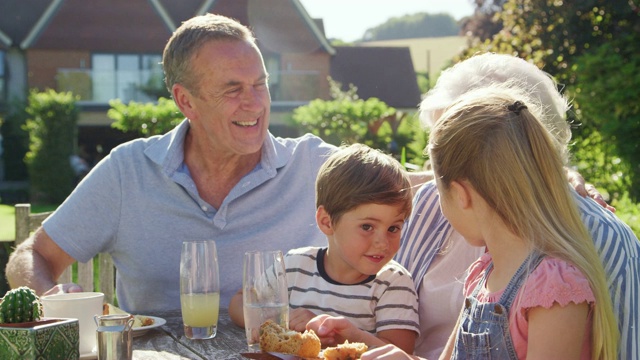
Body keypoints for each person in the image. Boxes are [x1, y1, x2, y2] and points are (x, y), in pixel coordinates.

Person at [5, 13, 337, 312]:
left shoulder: (314, 166)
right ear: (185, 101)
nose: (253, 103)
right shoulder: (128, 171)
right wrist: (47, 296)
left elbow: (390, 222)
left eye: (260, 84)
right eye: (232, 89)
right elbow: (31, 255)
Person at [368, 53, 640, 359]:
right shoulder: (483, 272)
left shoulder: (553, 288)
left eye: (439, 185)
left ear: (461, 194)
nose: (431, 193)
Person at [230, 143, 420, 353]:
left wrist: (348, 336)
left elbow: (401, 353)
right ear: (326, 222)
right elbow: (240, 302)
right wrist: (277, 322)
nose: (382, 242)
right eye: (367, 227)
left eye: (393, 228)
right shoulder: (294, 266)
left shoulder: (393, 283)